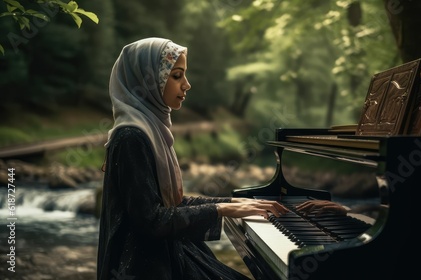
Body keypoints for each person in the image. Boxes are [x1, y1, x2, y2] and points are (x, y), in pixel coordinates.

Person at [97, 37, 288, 280]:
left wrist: (234, 203)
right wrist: (221, 209)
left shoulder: (150, 130)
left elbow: (169, 205)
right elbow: (152, 220)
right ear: (147, 82)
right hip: (145, 267)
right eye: (176, 76)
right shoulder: (131, 137)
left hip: (166, 253)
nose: (187, 85)